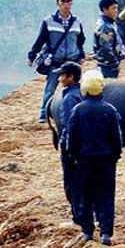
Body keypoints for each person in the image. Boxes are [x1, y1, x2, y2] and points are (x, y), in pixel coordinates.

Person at [64, 71, 122, 245]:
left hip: (83, 160)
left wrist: (73, 157)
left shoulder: (77, 110)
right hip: (106, 161)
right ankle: (106, 233)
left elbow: (71, 138)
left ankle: (87, 232)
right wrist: (115, 157)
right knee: (105, 196)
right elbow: (117, 139)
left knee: (84, 195)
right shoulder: (110, 110)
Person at [28, 0, 85, 120]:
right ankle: (45, 113)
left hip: (72, 61)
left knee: (75, 88)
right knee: (50, 88)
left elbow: (81, 40)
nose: (66, 4)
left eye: (69, 1)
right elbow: (41, 39)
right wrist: (32, 55)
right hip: (55, 60)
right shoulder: (48, 21)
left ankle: (75, 112)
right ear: (58, 4)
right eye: (63, 1)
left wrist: (80, 54)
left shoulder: (77, 21)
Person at [49, 62, 84, 224]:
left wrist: (68, 148)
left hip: (72, 148)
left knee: (72, 183)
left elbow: (69, 126)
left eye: (63, 75)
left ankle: (78, 217)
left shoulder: (69, 97)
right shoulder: (82, 93)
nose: (60, 78)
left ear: (71, 77)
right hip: (85, 147)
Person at [92, 0, 125, 79]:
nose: (116, 11)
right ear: (105, 9)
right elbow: (106, 48)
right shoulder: (105, 26)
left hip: (108, 65)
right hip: (108, 66)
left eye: (117, 8)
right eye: (113, 8)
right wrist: (114, 62)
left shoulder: (108, 23)